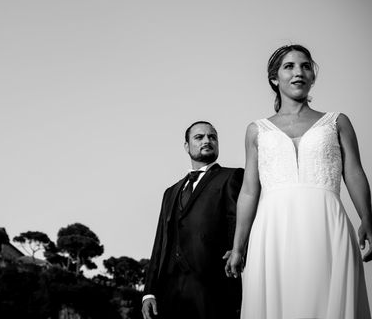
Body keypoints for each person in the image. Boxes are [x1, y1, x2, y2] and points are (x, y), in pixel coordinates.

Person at [226, 44, 372, 318]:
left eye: (306, 66)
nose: (299, 72)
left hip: (327, 223)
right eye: (289, 66)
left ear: (313, 76)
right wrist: (238, 246)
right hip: (272, 229)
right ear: (274, 78)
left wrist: (367, 218)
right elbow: (248, 191)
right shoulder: (256, 130)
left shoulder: (337, 121)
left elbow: (354, 172)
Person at [142, 121, 243, 319]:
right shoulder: (170, 192)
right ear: (187, 146)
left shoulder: (233, 177)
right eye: (199, 137)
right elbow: (160, 243)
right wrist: (149, 291)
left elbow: (238, 221)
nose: (207, 141)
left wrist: (239, 251)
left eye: (212, 137)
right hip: (170, 293)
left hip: (214, 288)